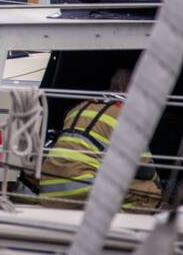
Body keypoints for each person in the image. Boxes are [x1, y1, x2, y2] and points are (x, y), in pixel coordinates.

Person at [39, 68, 161, 210]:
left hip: (48, 188)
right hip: (83, 186)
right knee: (150, 190)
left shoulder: (78, 107)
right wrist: (159, 182)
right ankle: (112, 221)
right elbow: (146, 170)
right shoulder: (126, 116)